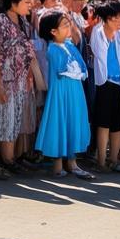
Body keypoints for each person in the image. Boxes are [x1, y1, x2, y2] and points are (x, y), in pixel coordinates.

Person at [0, 0, 43, 173]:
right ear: (13, 2)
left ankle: (11, 158)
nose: (31, 4)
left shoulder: (24, 23)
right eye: (27, 1)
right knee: (5, 121)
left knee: (15, 120)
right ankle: (6, 160)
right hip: (4, 82)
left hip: (20, 83)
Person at [35, 10, 94, 180]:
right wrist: (76, 70)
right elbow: (63, 70)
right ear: (53, 31)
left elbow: (80, 65)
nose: (68, 27)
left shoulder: (69, 45)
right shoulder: (53, 48)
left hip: (75, 90)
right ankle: (58, 165)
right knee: (60, 122)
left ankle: (73, 163)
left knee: (74, 121)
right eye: (64, 25)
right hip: (61, 92)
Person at [89, 1, 120, 173]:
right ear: (109, 19)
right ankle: (101, 161)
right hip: (105, 84)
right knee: (103, 123)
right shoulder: (98, 33)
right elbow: (99, 52)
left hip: (119, 84)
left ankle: (114, 159)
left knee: (118, 124)